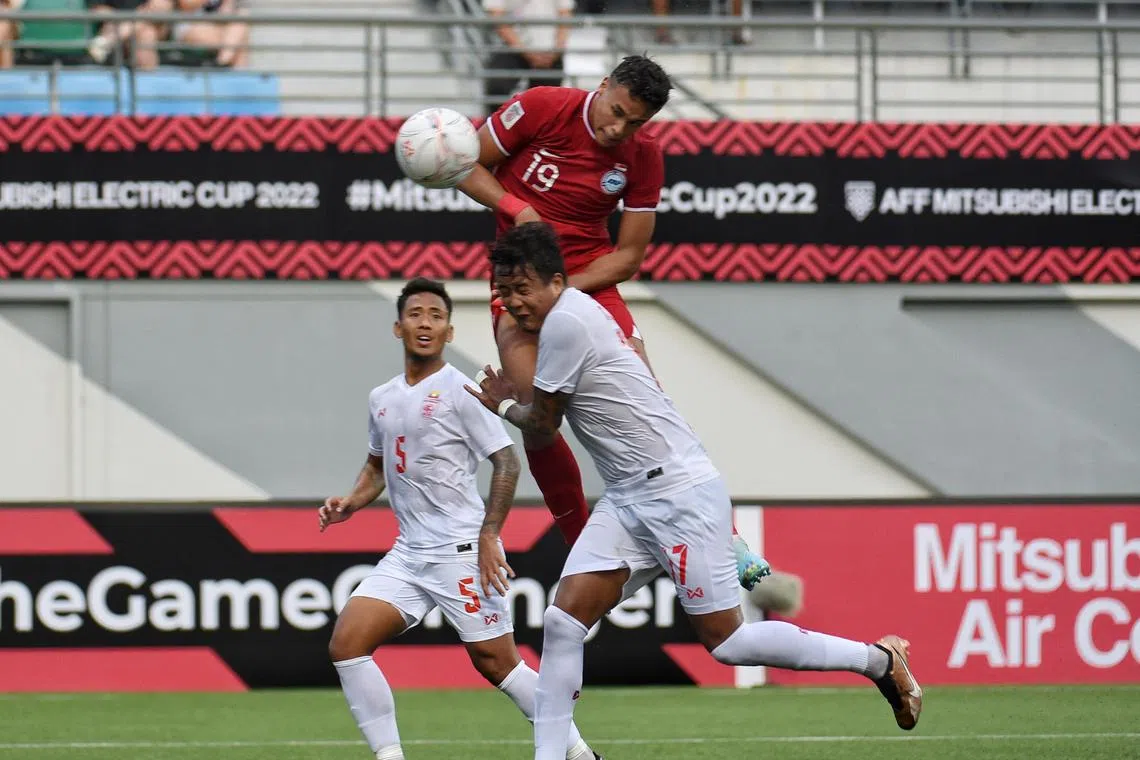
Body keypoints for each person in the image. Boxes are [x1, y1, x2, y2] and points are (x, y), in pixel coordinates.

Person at [467, 224, 924, 760]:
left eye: (524, 288)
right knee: (563, 621)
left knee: (728, 644)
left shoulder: (566, 322)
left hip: (678, 491)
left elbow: (543, 424)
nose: (515, 303)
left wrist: (499, 403)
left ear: (558, 281)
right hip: (629, 496)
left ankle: (877, 661)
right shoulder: (563, 320)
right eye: (505, 290)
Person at [457, 54, 769, 590]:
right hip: (518, 285)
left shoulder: (644, 155)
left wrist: (561, 297)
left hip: (586, 282)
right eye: (617, 112)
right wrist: (516, 206)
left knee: (650, 405)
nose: (619, 128)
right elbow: (465, 165)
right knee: (540, 419)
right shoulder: (541, 107)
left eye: (635, 122)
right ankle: (583, 550)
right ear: (601, 87)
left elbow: (627, 258)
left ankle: (727, 536)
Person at [320, 277, 601, 760]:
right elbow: (377, 464)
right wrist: (350, 501)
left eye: (435, 315)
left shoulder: (460, 391)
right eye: (415, 314)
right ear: (398, 327)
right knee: (347, 644)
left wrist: (489, 534)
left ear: (449, 331)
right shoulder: (381, 398)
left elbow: (506, 460)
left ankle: (578, 754)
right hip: (408, 554)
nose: (425, 322)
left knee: (498, 665)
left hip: (460, 550)